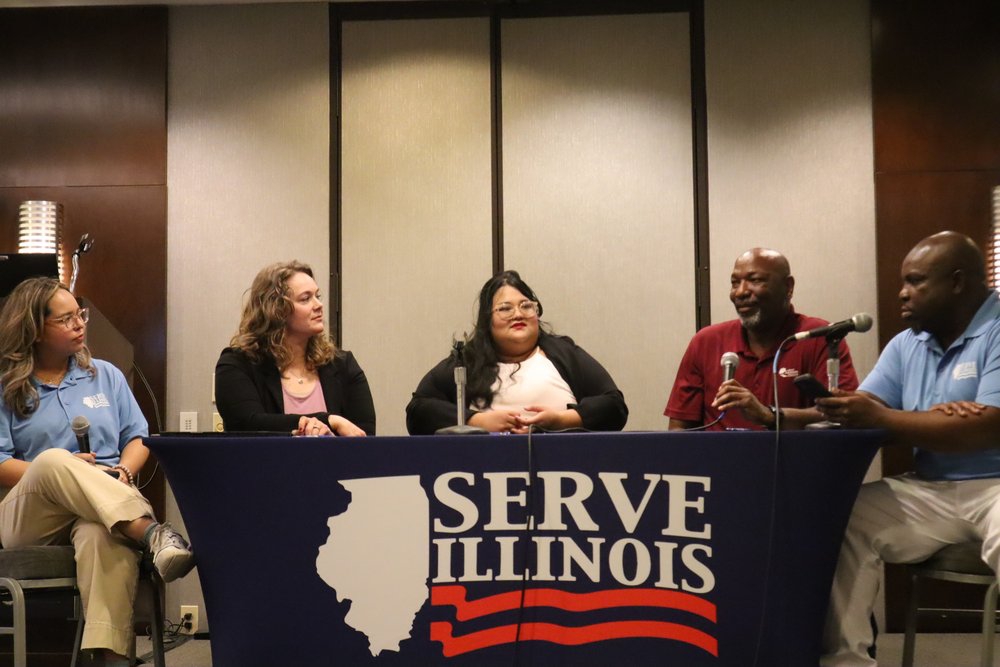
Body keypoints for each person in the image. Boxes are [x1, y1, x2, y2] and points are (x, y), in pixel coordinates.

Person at [818, 231, 1000, 666]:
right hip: (931, 487)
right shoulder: (907, 343)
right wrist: (781, 416)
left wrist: (890, 419)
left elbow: (988, 427)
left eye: (916, 281)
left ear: (957, 282)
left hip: (996, 486)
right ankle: (845, 662)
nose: (902, 293)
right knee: (843, 519)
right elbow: (866, 409)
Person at [0, 277, 195, 666]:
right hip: (31, 513)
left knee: (100, 535)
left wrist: (122, 469)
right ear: (36, 330)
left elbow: (138, 437)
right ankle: (152, 533)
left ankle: (111, 658)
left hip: (103, 507)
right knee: (54, 460)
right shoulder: (7, 385)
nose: (80, 325)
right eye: (67, 319)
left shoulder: (105, 375)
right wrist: (71, 469)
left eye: (80, 315)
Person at [406, 270, 628, 434]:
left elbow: (614, 407)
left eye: (526, 306)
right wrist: (477, 421)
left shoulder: (563, 353)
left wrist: (560, 420)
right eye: (505, 309)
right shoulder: (467, 361)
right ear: (487, 319)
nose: (518, 314)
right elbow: (418, 411)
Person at [665, 247, 859, 431]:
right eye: (734, 283)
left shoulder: (820, 337)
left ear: (788, 287)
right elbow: (679, 428)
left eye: (755, 280)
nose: (740, 292)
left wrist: (769, 416)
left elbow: (845, 414)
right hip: (718, 465)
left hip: (794, 464)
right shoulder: (706, 342)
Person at [215, 261, 375, 436]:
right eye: (305, 299)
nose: (319, 305)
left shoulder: (343, 365)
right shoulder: (237, 364)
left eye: (317, 296)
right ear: (276, 310)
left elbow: (363, 436)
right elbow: (248, 424)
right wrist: (329, 420)